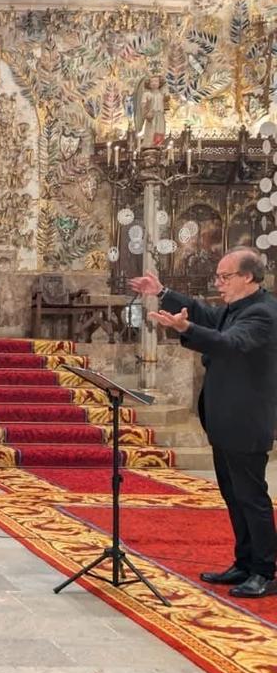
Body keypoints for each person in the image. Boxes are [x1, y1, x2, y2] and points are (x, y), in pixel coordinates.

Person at [133, 248, 277, 598]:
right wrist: (163, 292)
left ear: (248, 277)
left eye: (225, 277)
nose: (218, 283)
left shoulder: (263, 313)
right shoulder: (236, 308)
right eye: (218, 276)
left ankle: (264, 571)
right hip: (225, 420)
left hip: (246, 421)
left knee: (251, 498)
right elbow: (208, 315)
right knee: (233, 496)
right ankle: (245, 562)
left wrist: (186, 328)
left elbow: (229, 343)